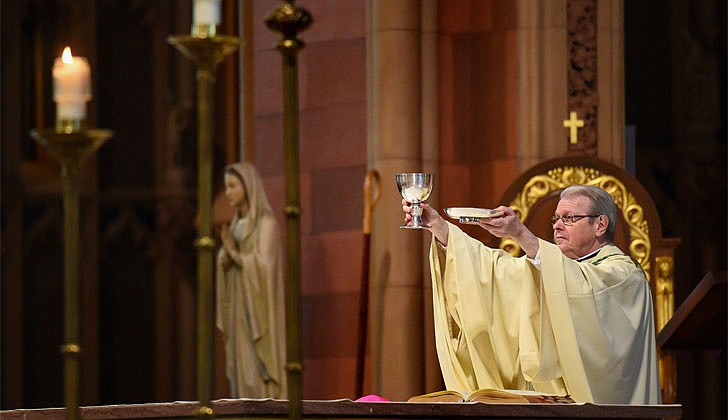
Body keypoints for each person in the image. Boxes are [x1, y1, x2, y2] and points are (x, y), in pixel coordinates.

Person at [402, 185, 661, 404]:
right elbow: (495, 272)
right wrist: (439, 227)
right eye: (556, 219)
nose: (558, 226)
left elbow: (583, 289)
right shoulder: (552, 268)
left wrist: (519, 233)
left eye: (569, 218)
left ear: (600, 224)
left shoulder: (624, 275)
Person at [216, 162, 287, 398]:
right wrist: (225, 256)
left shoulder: (267, 224)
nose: (228, 192)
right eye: (226, 187)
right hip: (239, 306)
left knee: (256, 370)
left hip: (259, 311)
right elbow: (224, 264)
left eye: (233, 186)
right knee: (241, 367)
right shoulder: (236, 225)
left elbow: (265, 266)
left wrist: (234, 255)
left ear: (248, 186)